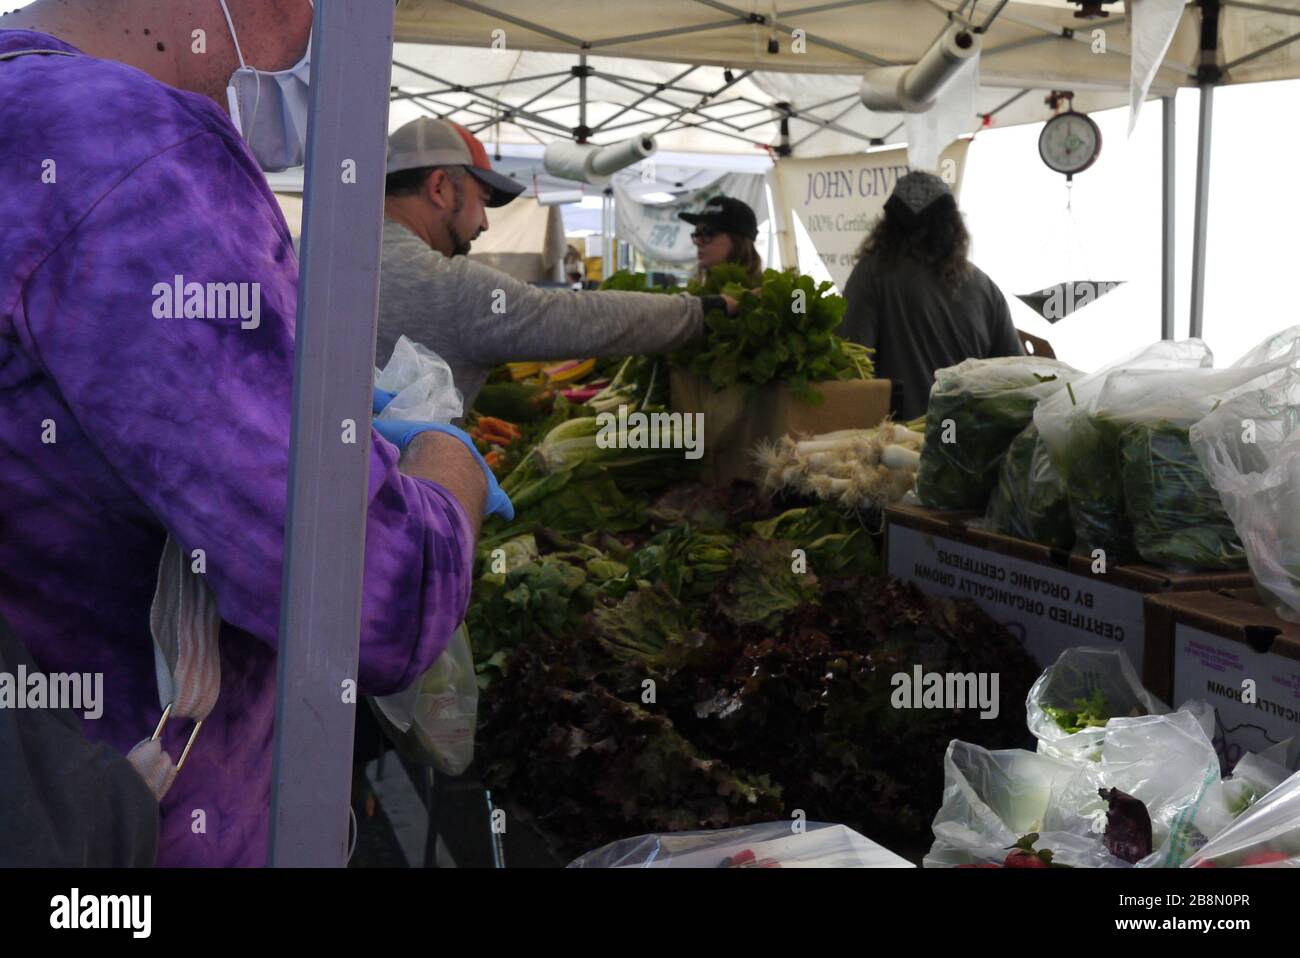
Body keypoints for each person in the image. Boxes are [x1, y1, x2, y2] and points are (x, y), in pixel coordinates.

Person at [0, 0, 499, 866]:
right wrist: (445, 460)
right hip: (144, 830)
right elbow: (368, 599)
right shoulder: (137, 151)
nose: (318, 41)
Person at [377, 117, 736, 407]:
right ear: (439, 187)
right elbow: (573, 317)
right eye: (482, 200)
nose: (485, 223)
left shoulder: (334, 254)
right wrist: (705, 311)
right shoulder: (448, 288)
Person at [840, 171, 1024, 421]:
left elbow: (850, 366)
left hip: (897, 444)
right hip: (969, 443)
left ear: (888, 224)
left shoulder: (872, 274)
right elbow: (1017, 376)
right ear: (953, 226)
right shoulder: (984, 286)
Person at [678, 195, 764, 287]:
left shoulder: (762, 298)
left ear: (738, 241)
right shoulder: (701, 293)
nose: (698, 242)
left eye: (708, 233)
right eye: (697, 233)